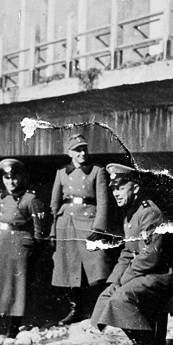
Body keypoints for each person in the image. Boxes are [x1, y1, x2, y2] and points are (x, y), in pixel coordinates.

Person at [90, 164, 173, 345]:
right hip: (141, 273)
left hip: (159, 275)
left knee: (121, 297)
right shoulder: (130, 213)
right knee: (107, 295)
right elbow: (128, 252)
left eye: (120, 187)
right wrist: (114, 280)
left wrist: (123, 280)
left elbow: (149, 258)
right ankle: (139, 342)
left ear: (135, 188)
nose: (116, 193)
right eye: (113, 189)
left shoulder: (149, 213)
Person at [0, 158, 47, 345]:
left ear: (21, 178)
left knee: (17, 288)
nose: (11, 182)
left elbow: (39, 230)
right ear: (3, 179)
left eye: (14, 178)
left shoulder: (30, 199)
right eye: (7, 178)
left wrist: (34, 252)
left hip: (19, 250)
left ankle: (12, 331)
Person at [49, 134, 112, 325]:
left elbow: (103, 202)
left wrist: (99, 227)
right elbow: (54, 204)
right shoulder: (61, 173)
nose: (82, 153)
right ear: (69, 153)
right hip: (66, 223)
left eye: (84, 149)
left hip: (88, 222)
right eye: (77, 150)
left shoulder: (96, 171)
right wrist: (53, 230)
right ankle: (76, 309)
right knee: (71, 268)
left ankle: (101, 309)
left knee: (97, 264)